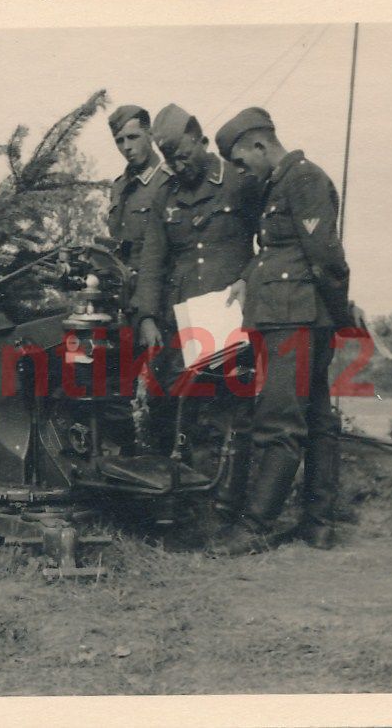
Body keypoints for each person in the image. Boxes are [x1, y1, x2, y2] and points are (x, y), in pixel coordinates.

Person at [213, 106, 355, 553]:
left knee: (278, 424)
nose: (241, 171)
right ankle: (318, 523)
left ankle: (254, 528)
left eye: (241, 161)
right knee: (316, 419)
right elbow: (276, 249)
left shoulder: (306, 180)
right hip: (288, 317)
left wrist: (338, 321)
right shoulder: (278, 185)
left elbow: (328, 262)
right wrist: (245, 278)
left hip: (296, 321)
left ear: (260, 144)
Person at [131, 103, 260, 523]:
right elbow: (152, 259)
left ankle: (224, 507)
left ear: (198, 138)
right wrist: (148, 316)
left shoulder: (239, 182)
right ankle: (174, 503)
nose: (177, 164)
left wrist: (249, 278)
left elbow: (273, 240)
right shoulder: (166, 194)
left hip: (225, 315)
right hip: (177, 319)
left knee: (222, 415)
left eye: (182, 154)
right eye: (169, 158)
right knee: (170, 406)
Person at [106, 105, 174, 272]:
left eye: (132, 137)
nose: (126, 147)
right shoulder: (119, 187)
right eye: (119, 141)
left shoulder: (168, 180)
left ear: (150, 135)